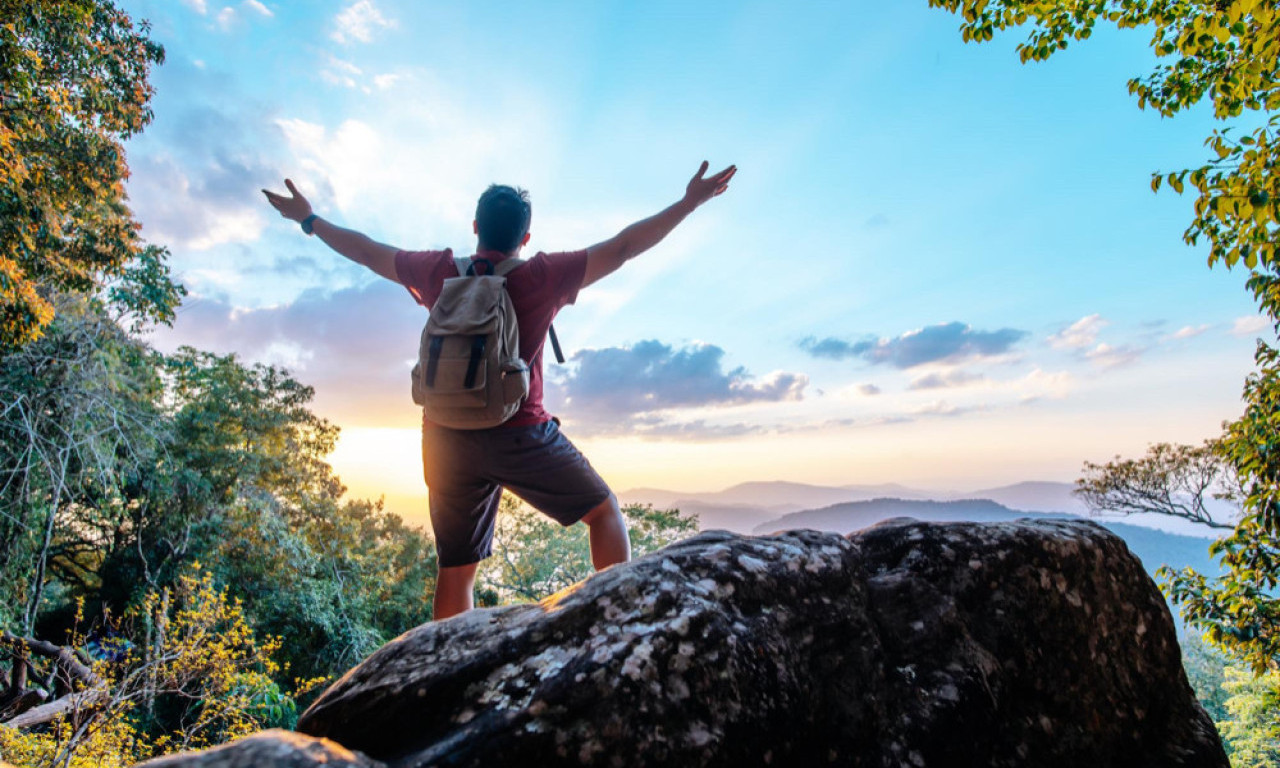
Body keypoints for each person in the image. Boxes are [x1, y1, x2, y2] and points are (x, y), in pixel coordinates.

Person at [262, 161, 737, 620]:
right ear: (525, 238)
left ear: (475, 226)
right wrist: (689, 203)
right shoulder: (541, 275)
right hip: (521, 434)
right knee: (605, 512)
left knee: (456, 571)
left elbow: (367, 251)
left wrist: (308, 218)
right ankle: (619, 625)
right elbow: (625, 246)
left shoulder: (440, 270)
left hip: (445, 438)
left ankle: (445, 667)